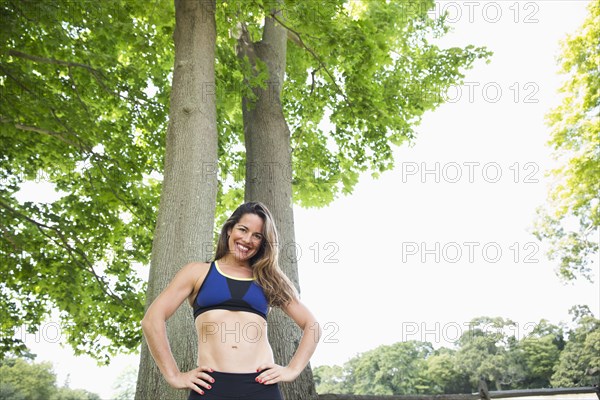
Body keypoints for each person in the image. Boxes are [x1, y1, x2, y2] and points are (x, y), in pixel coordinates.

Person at [141, 202, 321, 399]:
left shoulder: (268, 279)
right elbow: (152, 319)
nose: (247, 239)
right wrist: (173, 375)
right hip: (210, 388)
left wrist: (292, 370)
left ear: (263, 242)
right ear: (229, 229)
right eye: (242, 229)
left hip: (261, 388)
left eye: (257, 236)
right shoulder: (197, 272)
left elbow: (312, 325)